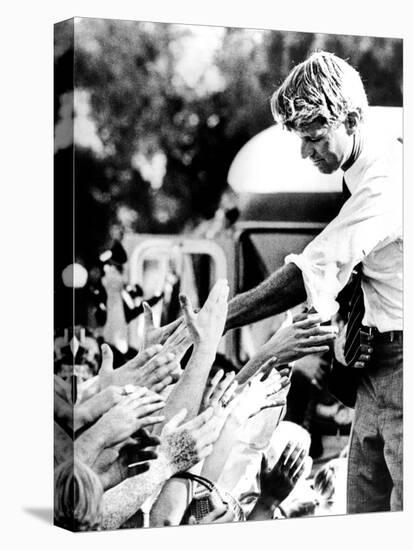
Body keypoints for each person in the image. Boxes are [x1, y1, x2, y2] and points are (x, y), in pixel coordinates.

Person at [225, 51, 402, 514]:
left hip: (402, 370)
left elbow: (311, 270)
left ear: (353, 117)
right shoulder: (359, 174)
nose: (307, 153)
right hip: (373, 371)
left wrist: (218, 320)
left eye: (316, 138)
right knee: (363, 513)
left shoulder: (386, 180)